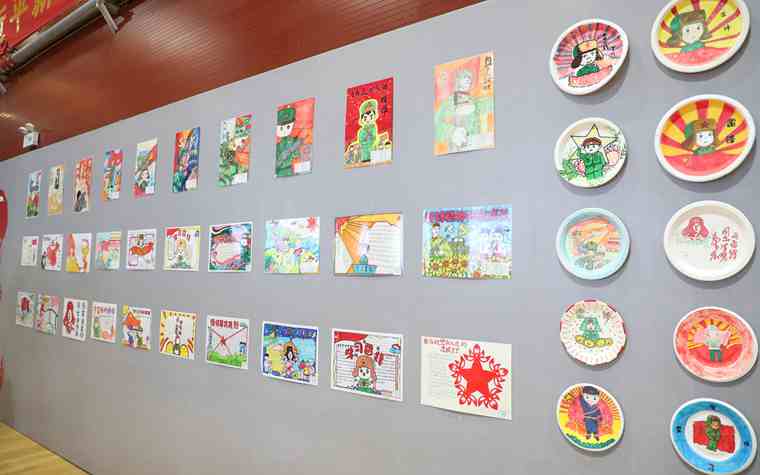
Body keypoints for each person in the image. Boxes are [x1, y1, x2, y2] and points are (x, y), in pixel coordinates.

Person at [275, 106, 302, 177]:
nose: (284, 130)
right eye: (281, 128)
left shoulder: (294, 141)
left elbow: (297, 154)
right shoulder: (278, 145)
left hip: (289, 170)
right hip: (280, 171)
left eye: (287, 127)